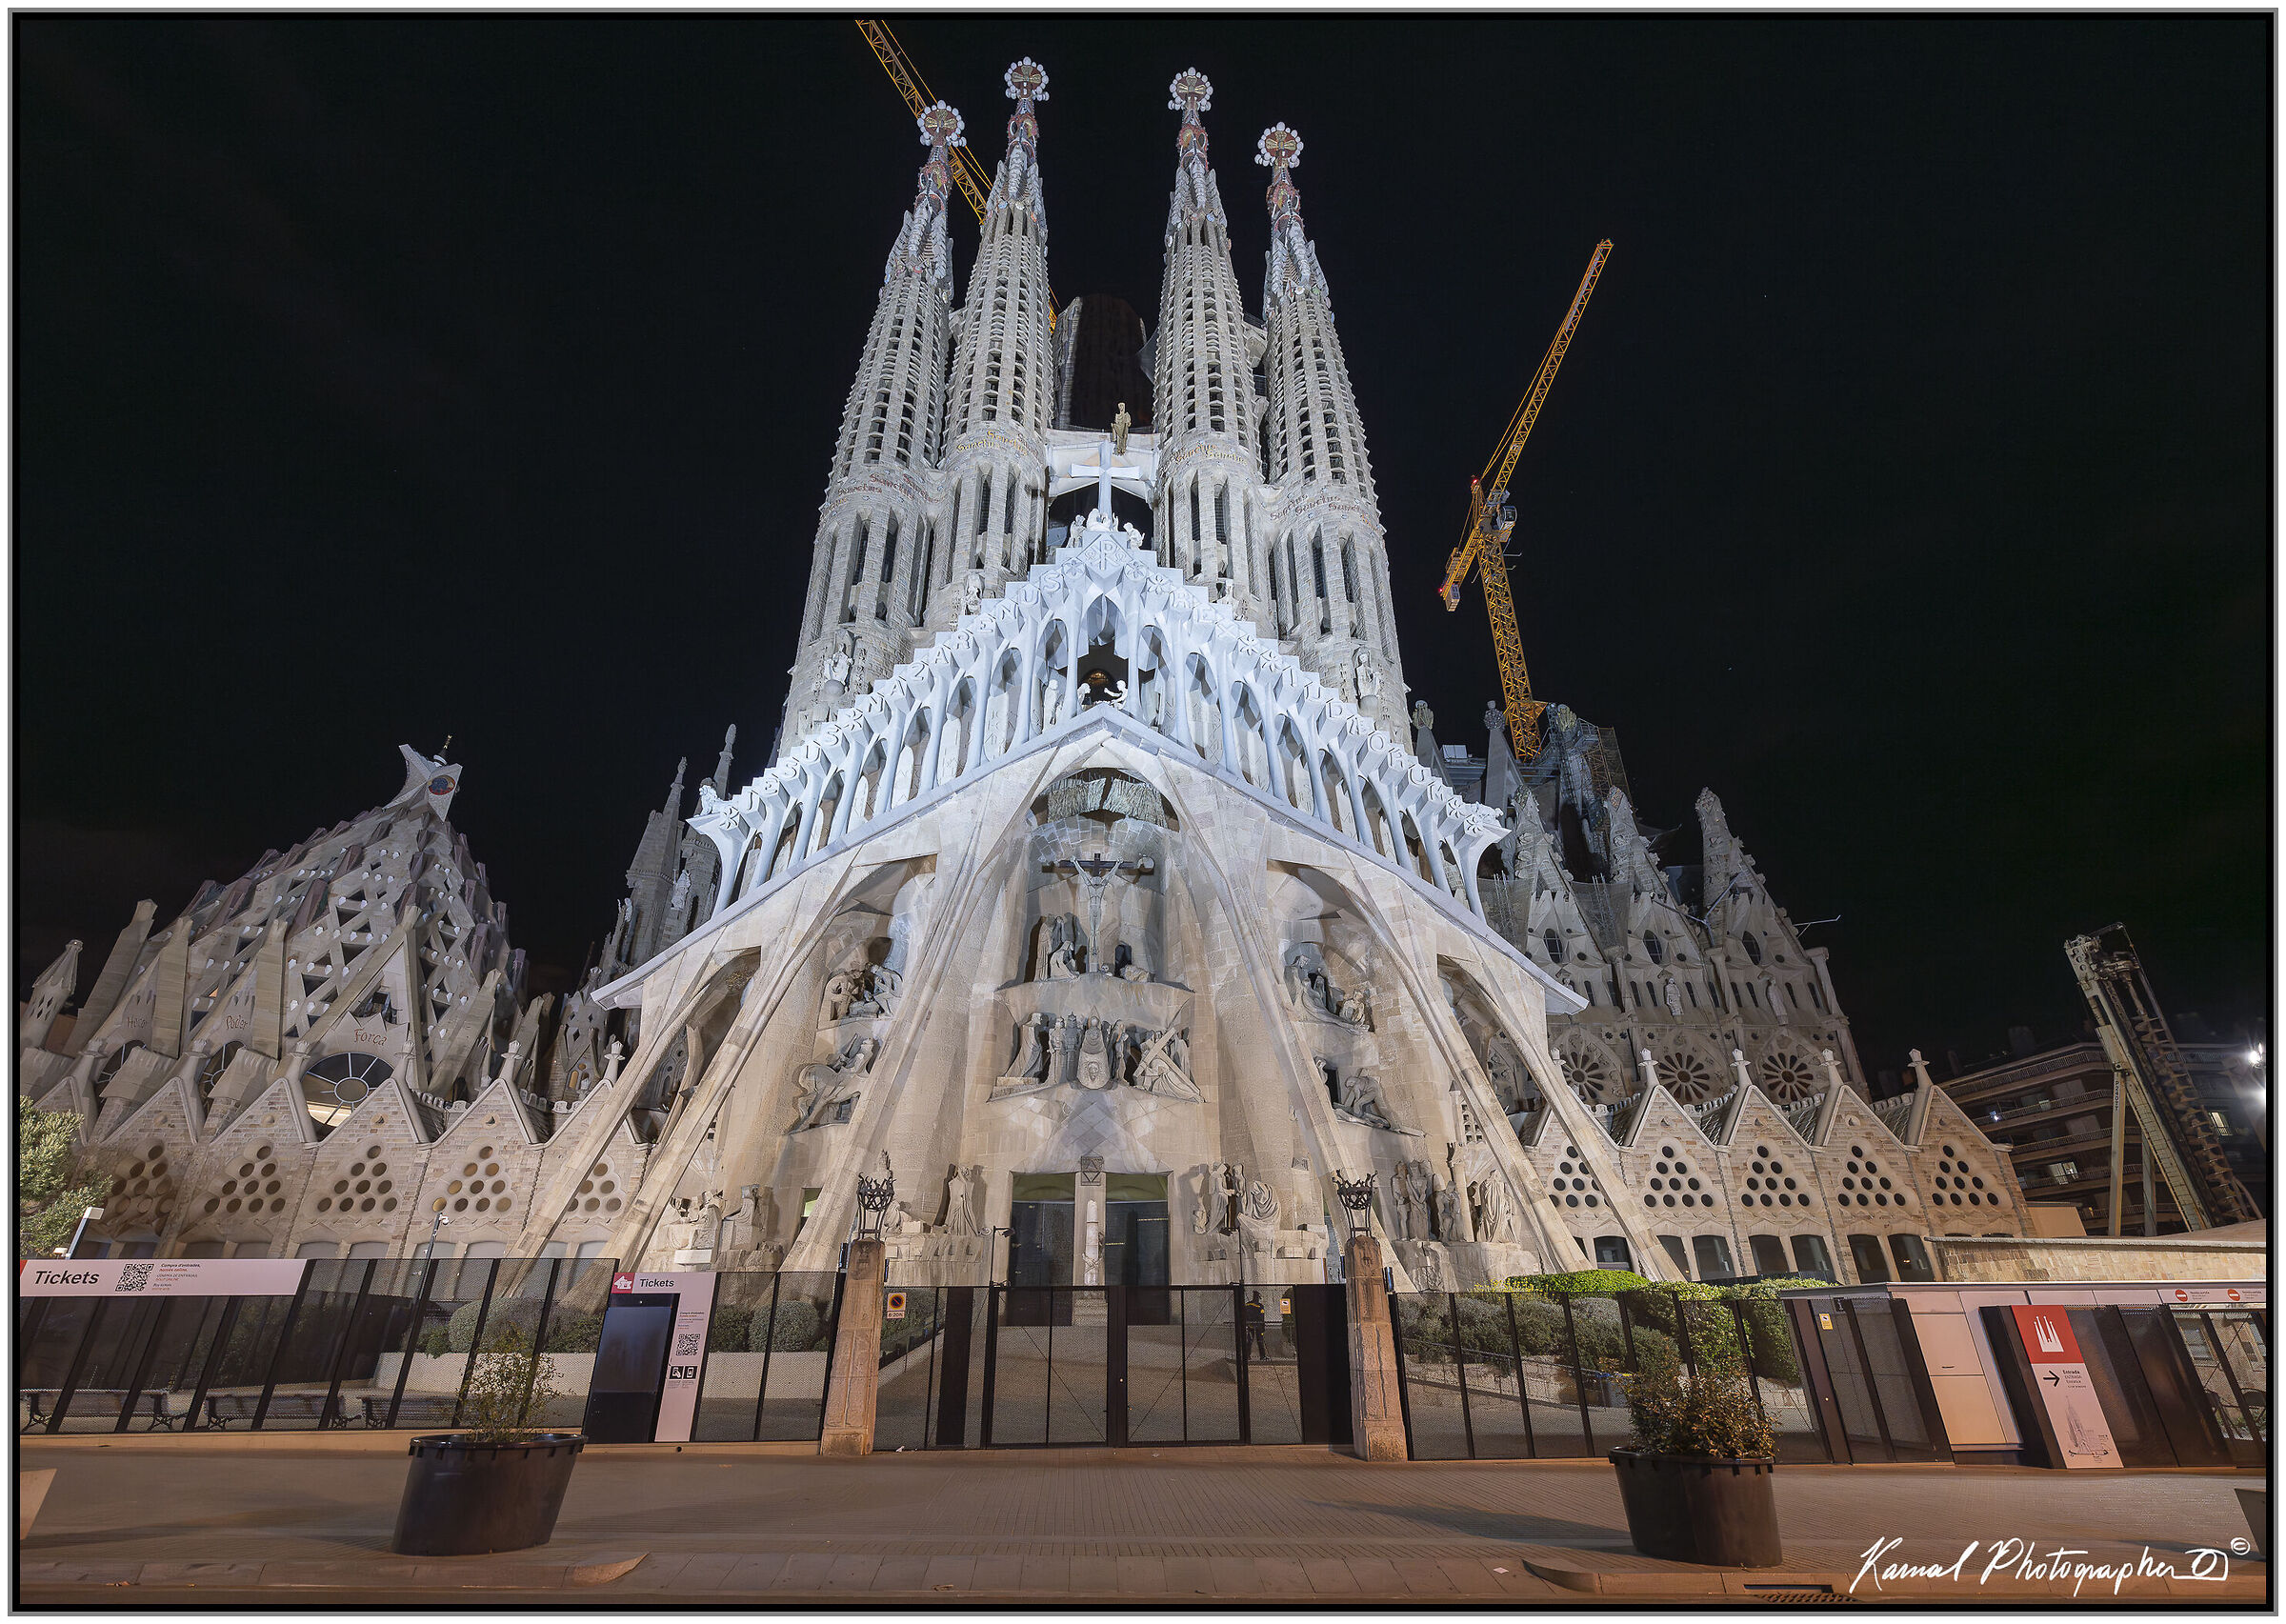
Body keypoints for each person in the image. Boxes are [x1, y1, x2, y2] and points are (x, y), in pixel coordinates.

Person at [1243, 1291, 1270, 1360]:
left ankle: (1247, 1356)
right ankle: (1262, 1356)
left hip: (1250, 1325)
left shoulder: (1247, 1304)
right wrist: (1263, 1327)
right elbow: (1262, 1317)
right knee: (1260, 1341)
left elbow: (1244, 1315)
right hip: (1259, 1326)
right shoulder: (1260, 1306)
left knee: (1249, 1341)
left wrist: (1246, 1323)